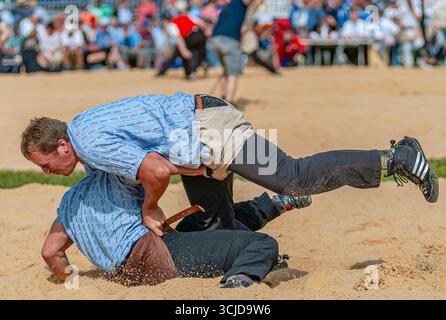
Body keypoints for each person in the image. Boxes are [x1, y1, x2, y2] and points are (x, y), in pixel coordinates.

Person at [21, 93, 439, 238]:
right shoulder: (84, 132)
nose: (47, 173)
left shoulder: (87, 143)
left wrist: (150, 209)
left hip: (210, 131)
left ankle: (397, 158)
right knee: (213, 229)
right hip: (199, 142)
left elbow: (155, 171)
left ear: (60, 145)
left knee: (295, 176)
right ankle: (261, 246)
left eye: (44, 164)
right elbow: (156, 165)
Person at [41, 161, 311, 288]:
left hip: (128, 273)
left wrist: (73, 281)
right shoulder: (118, 176)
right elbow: (157, 169)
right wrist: (203, 170)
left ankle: (276, 204)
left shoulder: (70, 199)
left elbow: (50, 252)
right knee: (262, 244)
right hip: (161, 258)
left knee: (202, 218)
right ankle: (239, 281)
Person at [208, 0, 262, 102]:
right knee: (233, 74)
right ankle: (229, 103)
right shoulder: (240, 4)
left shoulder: (227, 7)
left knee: (226, 71)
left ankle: (223, 97)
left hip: (215, 40)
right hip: (230, 41)